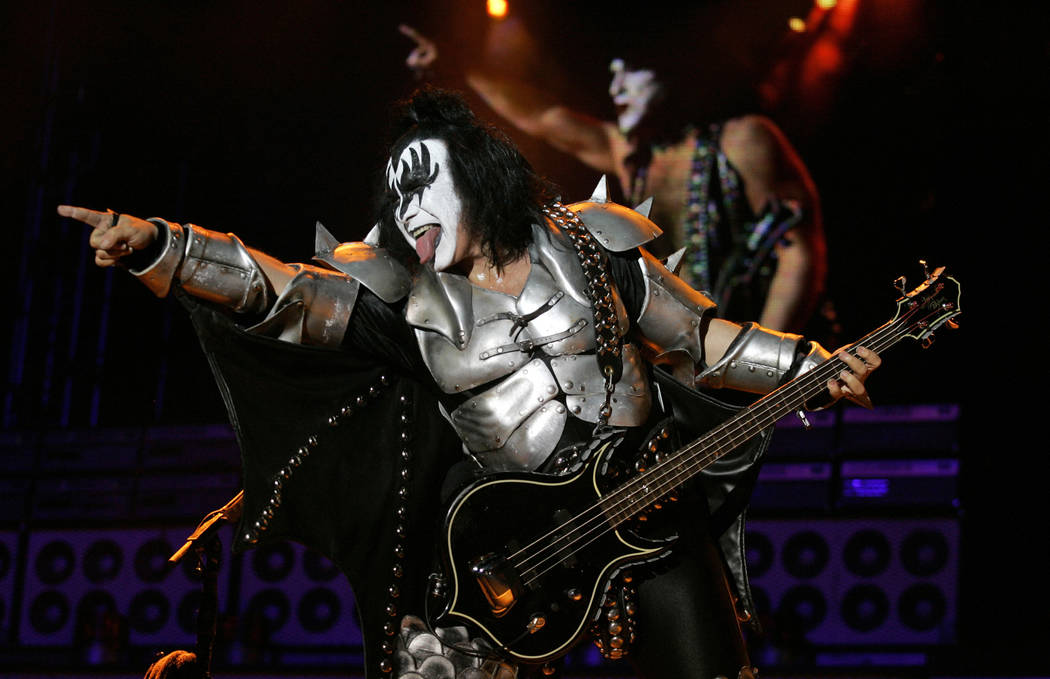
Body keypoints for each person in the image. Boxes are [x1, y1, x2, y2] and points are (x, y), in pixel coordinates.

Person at [59, 89, 877, 679]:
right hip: (512, 547)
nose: (407, 207)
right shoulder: (407, 301)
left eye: (423, 182)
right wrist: (163, 246)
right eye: (397, 192)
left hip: (646, 506)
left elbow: (702, 338)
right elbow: (286, 293)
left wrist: (812, 363)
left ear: (477, 174)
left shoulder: (591, 244)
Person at [400, 26, 827, 334]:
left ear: (675, 71)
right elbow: (544, 118)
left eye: (630, 72)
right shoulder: (632, 155)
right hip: (692, 360)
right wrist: (463, 73)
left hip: (759, 359)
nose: (615, 86)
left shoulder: (744, 139)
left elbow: (799, 258)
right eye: (612, 73)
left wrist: (763, 358)